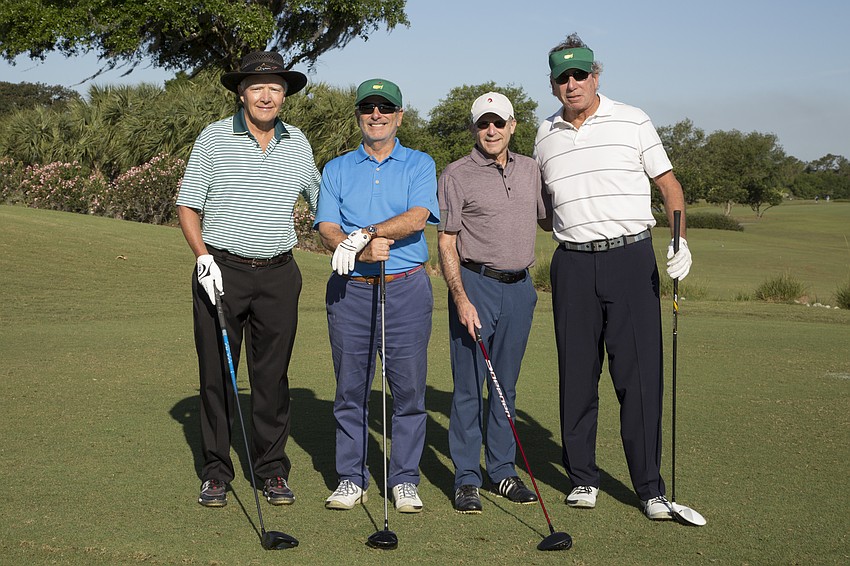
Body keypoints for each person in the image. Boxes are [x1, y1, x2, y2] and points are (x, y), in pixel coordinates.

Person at [533, 34, 693, 520]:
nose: (573, 83)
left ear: (595, 76)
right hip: (573, 263)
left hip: (630, 259)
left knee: (639, 377)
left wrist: (680, 239)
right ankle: (582, 478)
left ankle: (649, 487)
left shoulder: (633, 119)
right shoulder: (544, 134)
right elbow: (544, 210)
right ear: (554, 84)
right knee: (576, 375)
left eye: (580, 74)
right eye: (563, 77)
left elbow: (669, 187)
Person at [176, 51, 320, 508]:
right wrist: (202, 257)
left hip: (279, 274)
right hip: (221, 270)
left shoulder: (297, 143)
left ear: (284, 96)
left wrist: (356, 236)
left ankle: (272, 471)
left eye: (275, 88)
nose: (266, 95)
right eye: (257, 87)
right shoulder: (214, 138)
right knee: (218, 373)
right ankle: (216, 471)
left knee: (272, 378)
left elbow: (322, 202)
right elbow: (188, 204)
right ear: (242, 92)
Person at [314, 79, 439, 513]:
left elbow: (418, 217)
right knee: (350, 389)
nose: (376, 114)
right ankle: (352, 477)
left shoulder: (420, 162)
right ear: (358, 116)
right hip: (350, 290)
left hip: (404, 288)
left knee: (408, 392)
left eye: (385, 107)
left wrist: (367, 234)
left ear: (400, 115)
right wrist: (350, 245)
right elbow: (327, 226)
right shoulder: (336, 168)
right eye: (368, 107)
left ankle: (404, 479)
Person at [437, 92, 549, 514]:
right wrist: (461, 298)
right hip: (475, 284)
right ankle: (467, 478)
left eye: (498, 123)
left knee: (506, 386)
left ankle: (502, 471)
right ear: (473, 128)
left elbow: (548, 217)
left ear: (513, 125)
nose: (491, 130)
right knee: (469, 387)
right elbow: (446, 240)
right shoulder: (456, 174)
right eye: (483, 123)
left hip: (521, 289)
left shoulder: (531, 171)